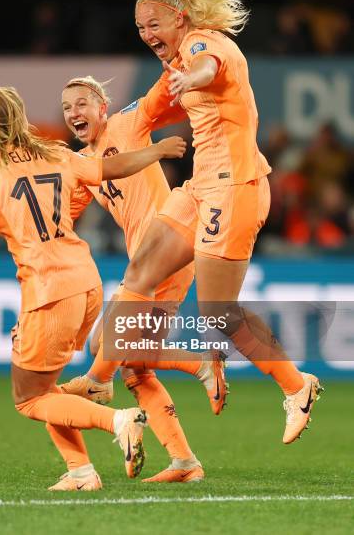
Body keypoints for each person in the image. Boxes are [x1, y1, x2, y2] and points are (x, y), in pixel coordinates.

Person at [76, 0, 324, 445]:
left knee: (217, 310)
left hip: (235, 187)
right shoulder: (174, 63)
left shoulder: (201, 44)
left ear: (180, 19)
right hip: (200, 188)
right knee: (140, 272)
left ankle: (298, 387)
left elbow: (209, 66)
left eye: (154, 23)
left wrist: (193, 77)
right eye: (140, 27)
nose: (147, 33)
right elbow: (146, 109)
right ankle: (100, 377)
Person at [0, 81, 188, 491]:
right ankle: (80, 472)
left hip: (48, 290)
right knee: (47, 387)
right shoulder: (56, 154)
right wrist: (156, 152)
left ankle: (118, 421)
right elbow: (109, 169)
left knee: (30, 399)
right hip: (86, 282)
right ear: (19, 116)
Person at [60, 75, 227, 483]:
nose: (73, 113)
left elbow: (159, 96)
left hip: (166, 252)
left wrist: (180, 56)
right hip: (145, 264)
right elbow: (59, 208)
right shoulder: (86, 164)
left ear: (102, 107)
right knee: (134, 367)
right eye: (66, 108)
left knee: (105, 345)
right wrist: (2, 221)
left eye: (82, 104)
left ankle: (104, 382)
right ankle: (185, 463)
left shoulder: (127, 123)